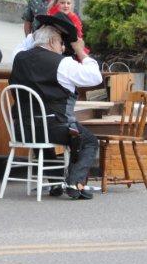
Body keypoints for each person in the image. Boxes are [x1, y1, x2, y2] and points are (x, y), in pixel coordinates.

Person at [9, 14, 103, 200]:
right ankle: (74, 182)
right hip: (55, 128)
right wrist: (80, 50)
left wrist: (38, 33)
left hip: (23, 129)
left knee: (43, 130)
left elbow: (27, 43)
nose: (63, 47)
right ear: (53, 41)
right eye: (61, 42)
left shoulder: (18, 58)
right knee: (89, 140)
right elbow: (95, 77)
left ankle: (54, 183)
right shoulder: (63, 64)